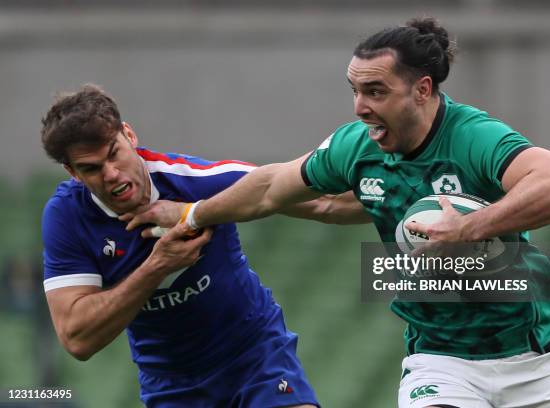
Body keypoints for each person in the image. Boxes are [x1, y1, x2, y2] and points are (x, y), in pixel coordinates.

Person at [124, 18, 550, 408]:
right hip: (442, 362)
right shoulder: (355, 146)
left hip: (538, 362)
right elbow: (271, 188)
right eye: (354, 90)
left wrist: (468, 228)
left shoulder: (474, 137)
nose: (360, 107)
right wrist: (191, 213)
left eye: (375, 91)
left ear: (422, 89)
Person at [40, 84, 367, 408]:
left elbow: (329, 204)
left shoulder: (197, 181)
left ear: (129, 135)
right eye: (91, 168)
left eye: (114, 153)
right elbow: (76, 338)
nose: (111, 174)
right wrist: (159, 265)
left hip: (255, 358)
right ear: (73, 173)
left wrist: (406, 197)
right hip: (172, 386)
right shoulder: (67, 217)